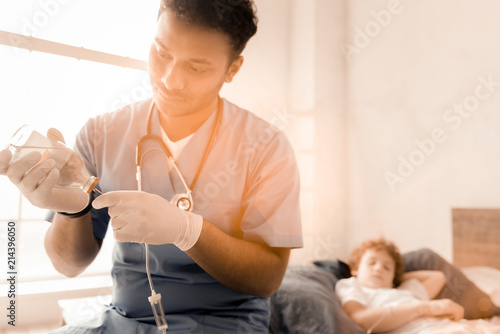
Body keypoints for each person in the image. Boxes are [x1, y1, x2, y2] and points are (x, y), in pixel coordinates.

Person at [0, 0, 303, 332]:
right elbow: (68, 265)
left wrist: (187, 230)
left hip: (223, 324)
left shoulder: (266, 147)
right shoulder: (102, 133)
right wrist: (72, 211)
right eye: (162, 53)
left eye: (197, 67)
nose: (171, 80)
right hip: (123, 321)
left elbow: (268, 279)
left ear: (233, 68)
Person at [336, 238, 469, 334]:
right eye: (371, 263)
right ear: (355, 269)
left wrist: (397, 278)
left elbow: (438, 277)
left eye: (387, 267)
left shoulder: (405, 291)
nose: (379, 269)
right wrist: (425, 307)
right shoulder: (353, 286)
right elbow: (360, 319)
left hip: (455, 327)